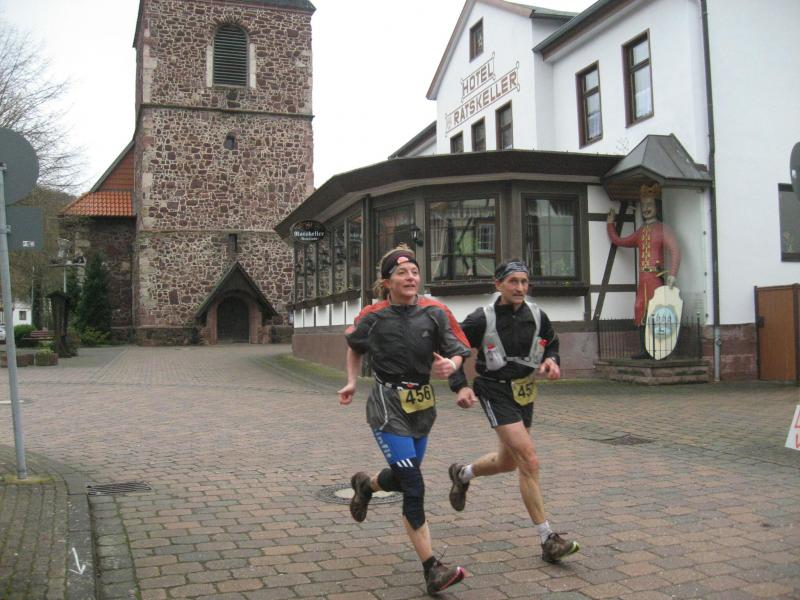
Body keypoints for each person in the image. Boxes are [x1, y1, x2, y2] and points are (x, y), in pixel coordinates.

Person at [337, 244, 472, 596]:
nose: (411, 277)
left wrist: (452, 366)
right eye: (402, 273)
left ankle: (366, 486)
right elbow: (355, 346)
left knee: (401, 477)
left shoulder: (435, 311)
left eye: (414, 272)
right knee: (414, 484)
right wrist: (352, 381)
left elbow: (458, 349)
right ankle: (432, 569)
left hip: (422, 404)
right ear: (387, 282)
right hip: (387, 404)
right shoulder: (373, 315)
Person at [446, 260, 580, 564]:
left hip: (525, 390)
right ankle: (547, 538)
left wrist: (552, 361)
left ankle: (462, 474)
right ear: (498, 285)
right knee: (529, 459)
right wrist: (460, 386)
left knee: (508, 461)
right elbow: (454, 348)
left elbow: (551, 342)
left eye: (524, 281)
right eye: (513, 281)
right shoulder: (482, 318)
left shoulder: (537, 314)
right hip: (495, 390)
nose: (520, 287)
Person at [607, 183, 681, 358]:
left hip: (655, 277)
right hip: (643, 279)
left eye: (650, 205)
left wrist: (672, 274)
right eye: (643, 206)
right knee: (639, 308)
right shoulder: (640, 231)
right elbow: (619, 241)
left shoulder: (663, 229)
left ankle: (660, 349)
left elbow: (675, 250)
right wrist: (610, 224)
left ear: (657, 207)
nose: (646, 209)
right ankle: (645, 349)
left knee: (657, 310)